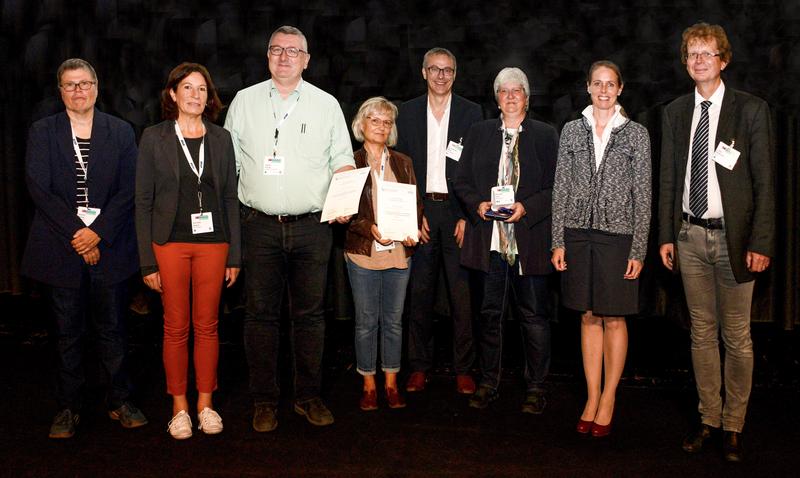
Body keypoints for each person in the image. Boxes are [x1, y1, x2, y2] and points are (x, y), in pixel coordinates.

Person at [224, 25, 355, 431]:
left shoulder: (326, 104)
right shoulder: (244, 102)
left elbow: (343, 160)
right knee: (260, 316)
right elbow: (229, 167)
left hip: (313, 228)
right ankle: (264, 400)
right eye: (277, 50)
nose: (285, 57)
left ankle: (308, 396)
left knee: (311, 317)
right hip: (257, 226)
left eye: (293, 51)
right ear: (267, 56)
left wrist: (346, 201)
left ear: (306, 59)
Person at [658, 23, 775, 462]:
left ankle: (734, 425)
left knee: (737, 335)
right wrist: (667, 234)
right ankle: (708, 419)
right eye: (692, 54)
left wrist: (761, 240)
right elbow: (670, 179)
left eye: (707, 54)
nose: (699, 61)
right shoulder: (674, 112)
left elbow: (765, 181)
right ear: (685, 62)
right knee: (702, 333)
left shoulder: (750, 110)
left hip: (736, 239)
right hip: (688, 237)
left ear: (723, 60)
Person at [22, 58, 147, 438]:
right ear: (60, 91)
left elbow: (129, 190)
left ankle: (119, 400)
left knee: (113, 330)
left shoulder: (121, 131)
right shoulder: (42, 132)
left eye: (85, 83)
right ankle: (68, 406)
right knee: (67, 332)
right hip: (60, 247)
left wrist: (98, 234)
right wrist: (80, 235)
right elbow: (39, 189)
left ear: (97, 87)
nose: (79, 91)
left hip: (110, 246)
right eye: (70, 85)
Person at [135, 62, 241, 439]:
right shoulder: (153, 137)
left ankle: (205, 404)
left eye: (202, 89)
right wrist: (147, 260)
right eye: (188, 88)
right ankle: (179, 407)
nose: (195, 95)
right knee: (175, 327)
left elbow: (230, 196)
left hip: (214, 244)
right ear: (173, 94)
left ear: (208, 97)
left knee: (208, 326)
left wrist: (235, 255)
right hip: (169, 243)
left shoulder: (221, 139)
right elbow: (143, 201)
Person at [551, 60, 651, 438]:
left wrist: (639, 247)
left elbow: (643, 194)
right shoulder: (572, 131)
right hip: (578, 234)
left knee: (614, 317)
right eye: (598, 83)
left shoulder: (636, 134)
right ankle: (591, 397)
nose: (604, 90)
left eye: (611, 84)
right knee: (588, 316)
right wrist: (557, 240)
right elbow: (560, 188)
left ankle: (609, 397)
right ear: (588, 87)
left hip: (618, 236)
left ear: (620, 89)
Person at [453, 67, 558, 413]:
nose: (510, 96)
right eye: (503, 91)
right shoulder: (479, 132)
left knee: (534, 318)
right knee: (488, 315)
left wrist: (527, 208)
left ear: (527, 97)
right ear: (496, 98)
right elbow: (462, 180)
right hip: (491, 241)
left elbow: (557, 188)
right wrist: (476, 205)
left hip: (529, 242)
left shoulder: (545, 135)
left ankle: (537, 386)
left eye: (517, 90)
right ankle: (488, 382)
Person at [395, 48, 482, 395]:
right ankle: (418, 367)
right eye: (435, 69)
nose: (441, 76)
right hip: (420, 212)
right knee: (419, 294)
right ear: (423, 72)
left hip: (457, 212)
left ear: (455, 74)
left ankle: (463, 368)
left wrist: (466, 216)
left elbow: (478, 167)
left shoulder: (472, 113)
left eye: (447, 70)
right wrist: (412, 213)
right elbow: (398, 166)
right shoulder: (407, 112)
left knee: (462, 297)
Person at [345, 97, 423, 411]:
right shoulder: (349, 161)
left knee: (393, 321)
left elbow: (414, 205)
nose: (381, 126)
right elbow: (345, 212)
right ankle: (368, 384)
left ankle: (391, 383)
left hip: (398, 254)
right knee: (366, 321)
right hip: (363, 253)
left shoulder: (403, 162)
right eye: (374, 120)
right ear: (361, 124)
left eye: (387, 121)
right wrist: (369, 228)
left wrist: (413, 228)